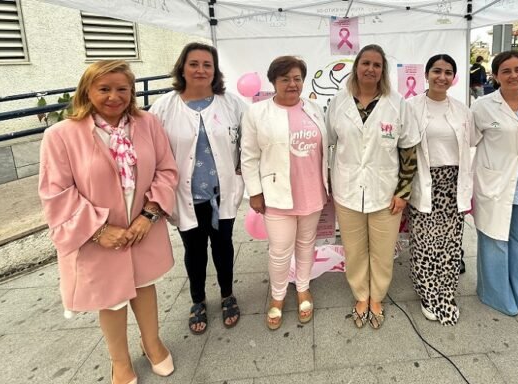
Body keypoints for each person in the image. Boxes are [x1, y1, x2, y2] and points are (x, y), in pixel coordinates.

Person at [39, 60, 178, 384]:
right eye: (104, 89)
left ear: (131, 92)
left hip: (143, 227)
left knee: (144, 286)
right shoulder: (61, 135)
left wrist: (149, 215)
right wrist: (99, 230)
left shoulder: (148, 124)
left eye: (122, 89)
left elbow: (166, 170)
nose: (114, 96)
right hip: (98, 235)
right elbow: (56, 192)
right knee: (111, 298)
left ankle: (152, 342)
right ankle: (120, 361)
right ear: (87, 90)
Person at [149, 43, 246, 334]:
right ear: (182, 67)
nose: (201, 70)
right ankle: (197, 300)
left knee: (223, 247)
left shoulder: (232, 103)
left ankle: (227, 294)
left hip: (222, 194)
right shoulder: (164, 106)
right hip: (186, 196)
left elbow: (253, 137)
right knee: (194, 251)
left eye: (207, 64)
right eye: (194, 64)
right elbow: (151, 149)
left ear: (215, 70)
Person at [327, 44, 421, 329]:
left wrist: (403, 193)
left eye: (376, 65)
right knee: (354, 250)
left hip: (386, 192)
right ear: (357, 66)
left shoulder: (397, 104)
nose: (370, 69)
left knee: (381, 251)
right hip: (347, 189)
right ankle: (360, 295)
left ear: (383, 71)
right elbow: (329, 143)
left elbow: (409, 151)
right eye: (365, 63)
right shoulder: (338, 103)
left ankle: (377, 297)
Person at [241, 56, 329, 330]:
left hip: (312, 191)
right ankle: (277, 296)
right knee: (279, 250)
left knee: (306, 244)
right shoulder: (257, 113)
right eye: (285, 79)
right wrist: (255, 192)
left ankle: (303, 288)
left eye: (297, 78)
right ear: (273, 82)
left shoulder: (314, 108)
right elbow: (249, 156)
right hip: (276, 194)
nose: (292, 84)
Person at [470, 50, 518, 317]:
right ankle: (496, 295)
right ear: (496, 76)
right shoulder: (481, 106)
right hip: (495, 181)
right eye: (506, 71)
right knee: (494, 239)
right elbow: (468, 141)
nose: (513, 75)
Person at [407, 54, 473, 325]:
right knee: (424, 243)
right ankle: (426, 292)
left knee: (450, 243)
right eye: (436, 71)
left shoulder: (461, 109)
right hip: (424, 180)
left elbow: (471, 142)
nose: (442, 77)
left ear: (453, 77)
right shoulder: (411, 107)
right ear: (426, 74)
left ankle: (446, 291)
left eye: (448, 72)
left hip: (453, 182)